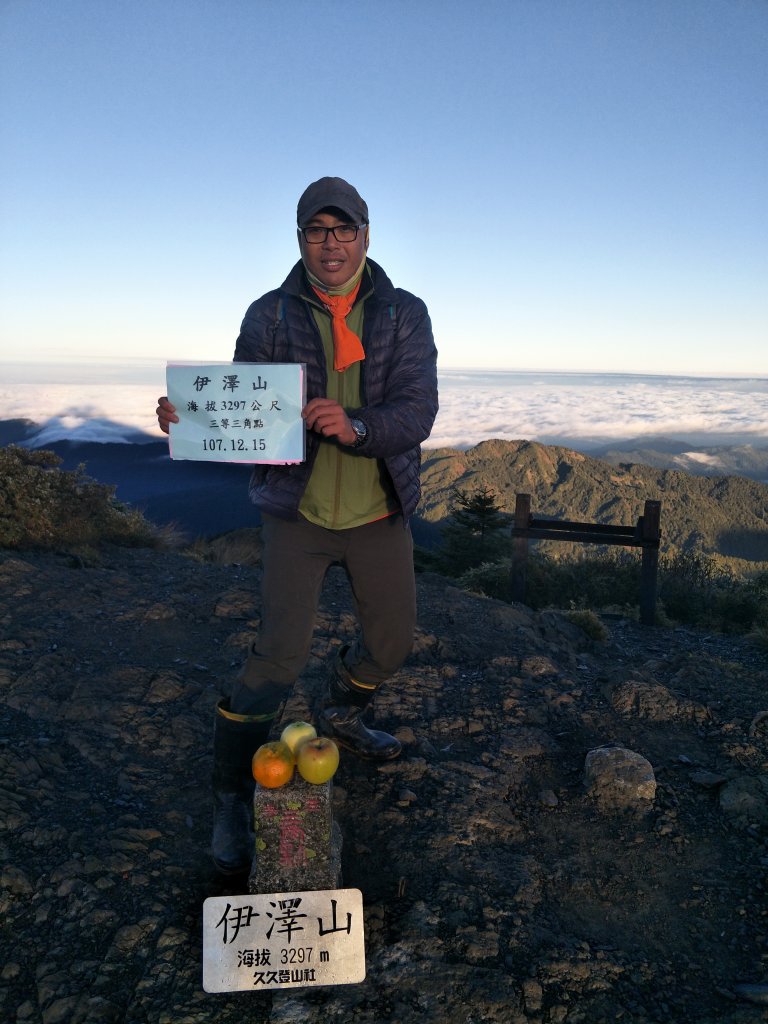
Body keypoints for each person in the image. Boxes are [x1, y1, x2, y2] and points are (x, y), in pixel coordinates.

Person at [156, 176, 438, 874]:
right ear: (301, 239)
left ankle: (344, 708)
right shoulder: (270, 314)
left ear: (367, 237)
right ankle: (229, 796)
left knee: (393, 644)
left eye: (344, 230)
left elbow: (417, 410)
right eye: (318, 230)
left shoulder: (402, 313)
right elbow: (246, 401)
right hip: (298, 510)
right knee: (276, 658)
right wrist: (190, 420)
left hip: (378, 508)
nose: (332, 242)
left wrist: (358, 423)